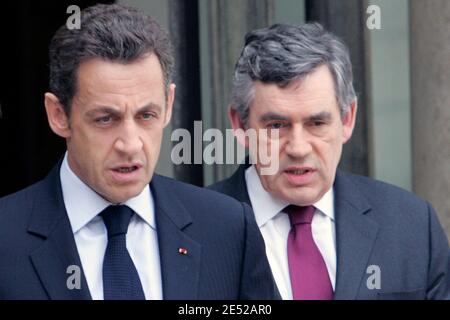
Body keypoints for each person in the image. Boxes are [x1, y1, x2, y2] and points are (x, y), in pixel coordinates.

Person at [0, 4, 277, 300]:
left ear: (169, 104)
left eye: (146, 116)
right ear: (58, 115)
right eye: (106, 119)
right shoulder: (6, 238)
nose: (130, 144)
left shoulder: (229, 229)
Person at [210, 23, 449, 300]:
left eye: (317, 123)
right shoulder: (193, 233)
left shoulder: (412, 227)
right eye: (276, 126)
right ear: (240, 125)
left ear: (347, 119)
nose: (298, 148)